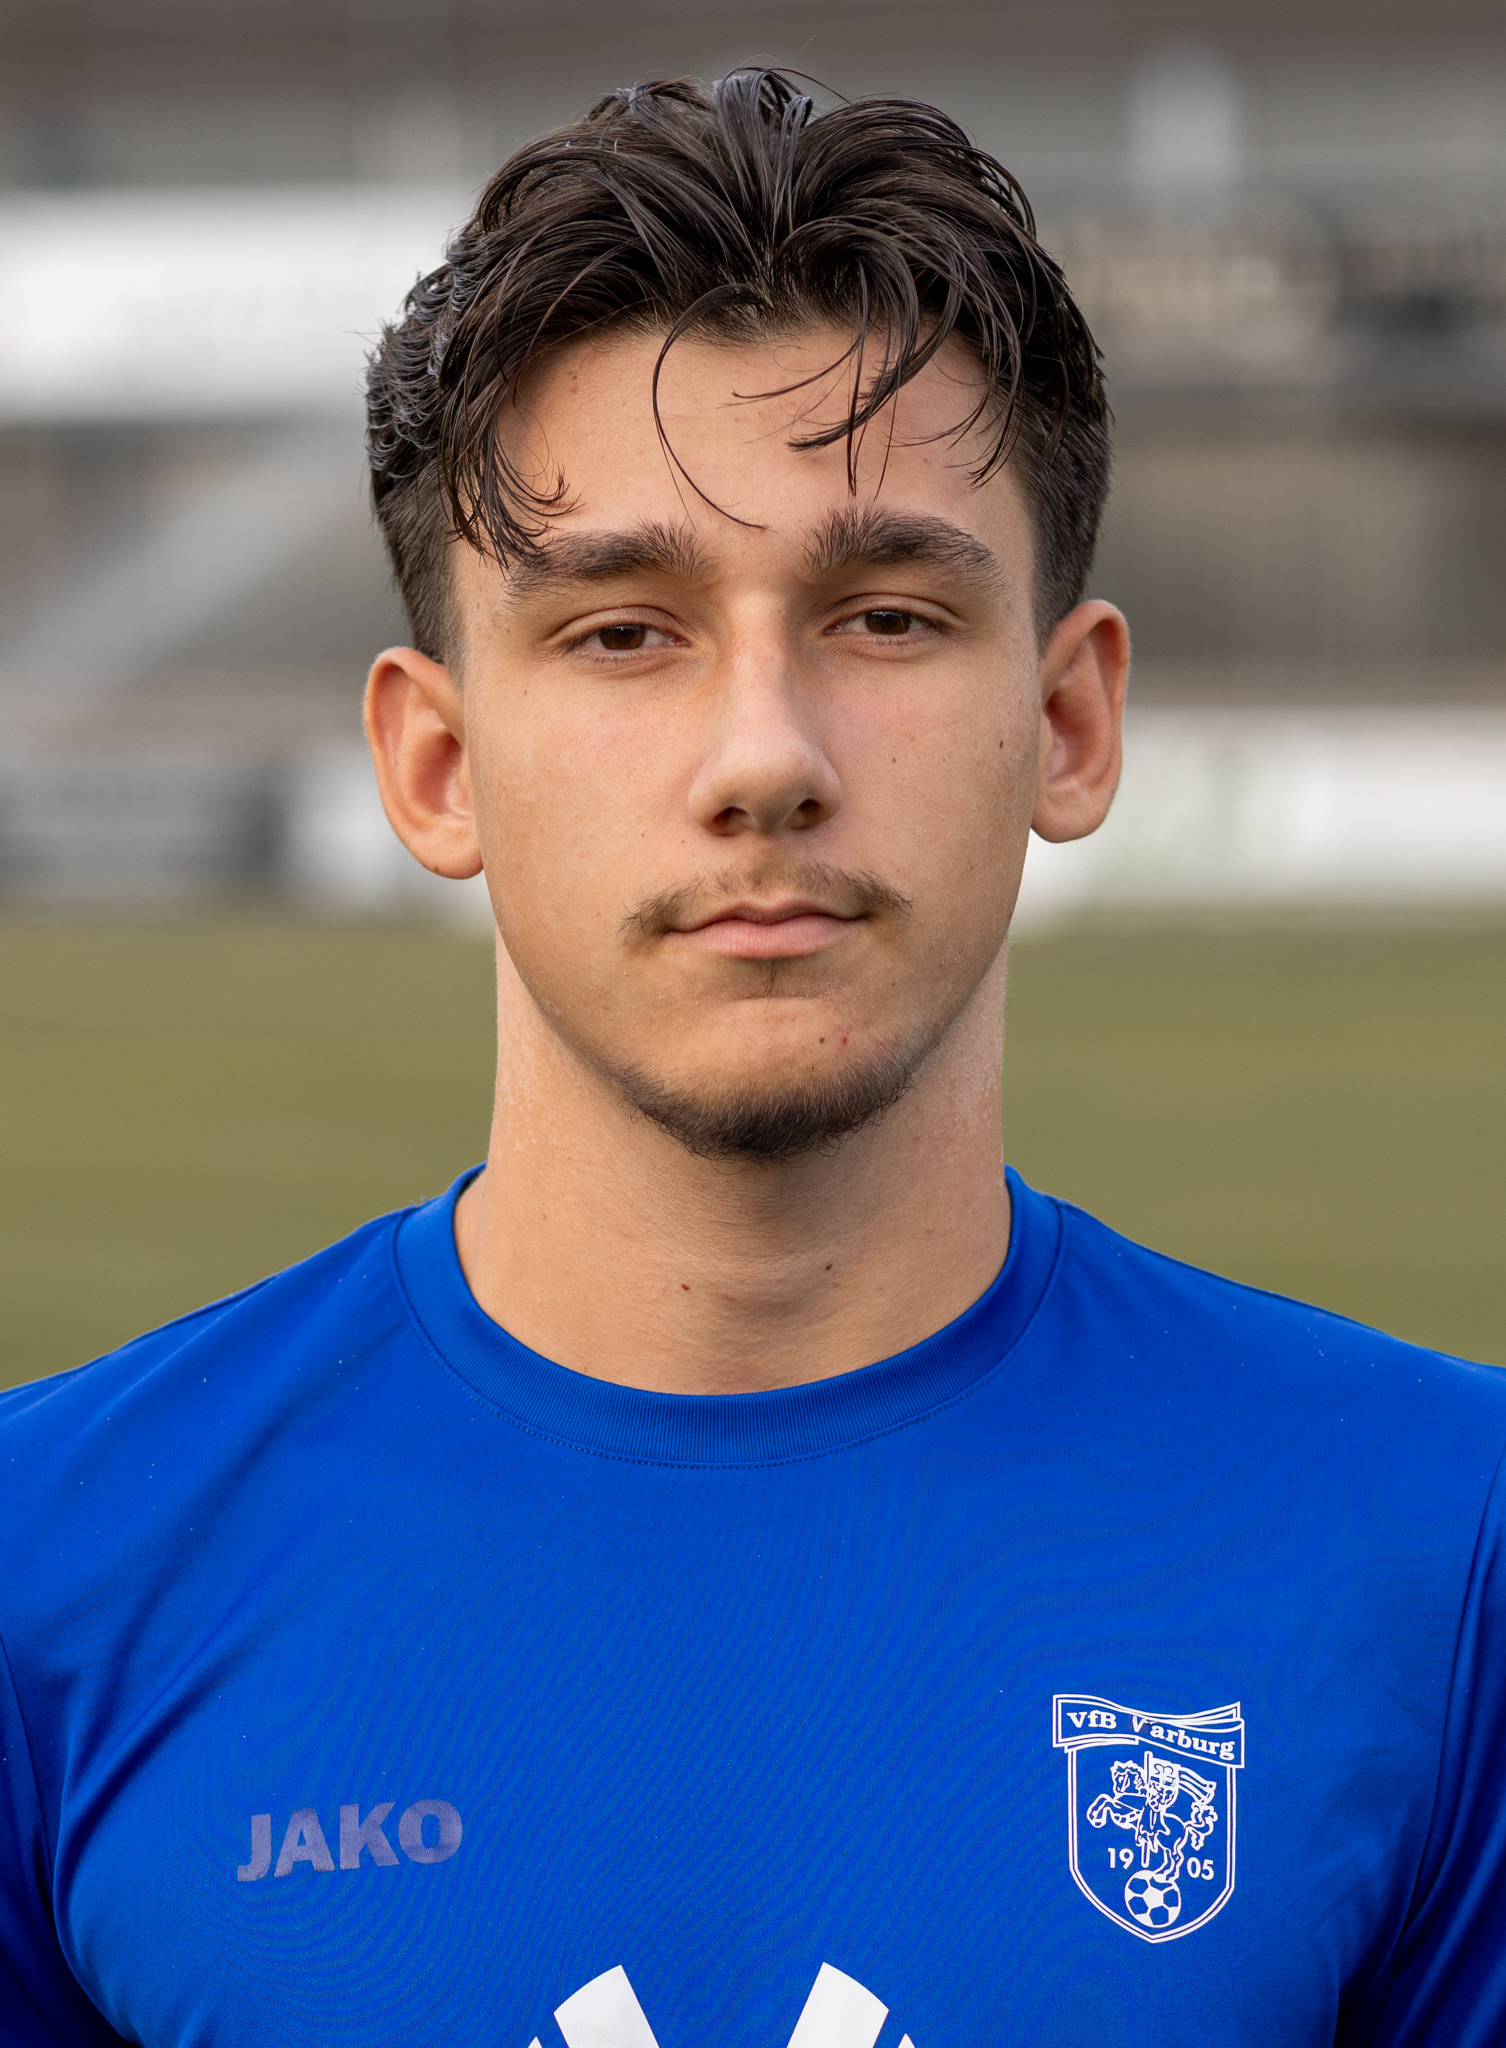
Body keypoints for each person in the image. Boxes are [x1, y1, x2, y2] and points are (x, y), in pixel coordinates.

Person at [1, 68, 1502, 2048]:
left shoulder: (1445, 1545)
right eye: (624, 633)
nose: (766, 758)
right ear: (436, 765)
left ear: (1067, 723)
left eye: (884, 616)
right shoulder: (50, 1574)